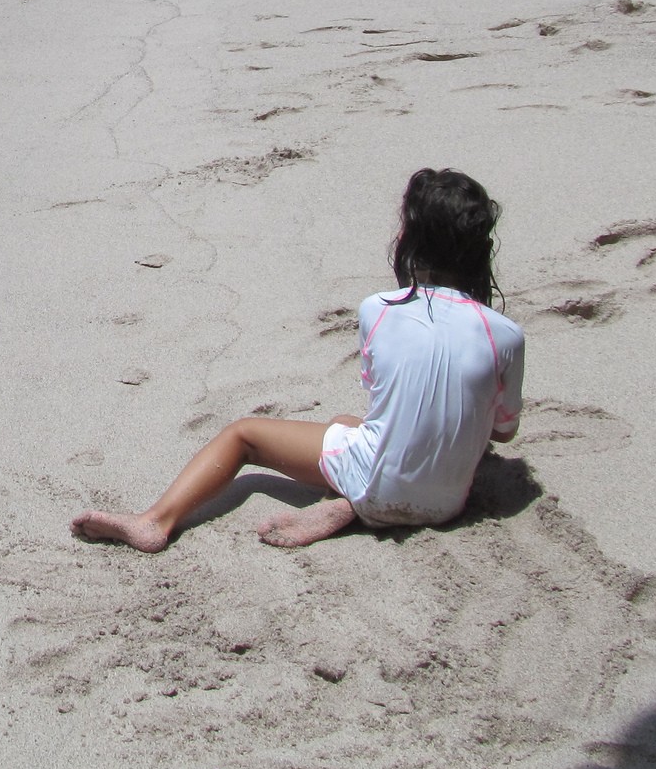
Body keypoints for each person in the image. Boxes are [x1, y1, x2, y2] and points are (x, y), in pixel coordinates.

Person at [71, 168, 524, 551]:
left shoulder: (380, 309)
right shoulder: (505, 334)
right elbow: (503, 432)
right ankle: (350, 504)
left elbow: (383, 392)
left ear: (410, 241)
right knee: (356, 425)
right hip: (447, 504)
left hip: (378, 482)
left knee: (244, 434)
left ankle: (155, 521)